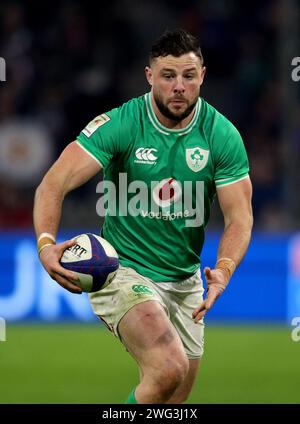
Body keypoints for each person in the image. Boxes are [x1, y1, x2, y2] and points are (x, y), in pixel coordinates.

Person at [33, 29, 253, 404]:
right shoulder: (121, 124)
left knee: (170, 402)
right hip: (122, 271)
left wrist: (225, 269)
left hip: (186, 283)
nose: (179, 86)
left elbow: (240, 218)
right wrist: (46, 245)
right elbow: (53, 184)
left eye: (188, 75)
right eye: (168, 76)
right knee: (169, 367)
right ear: (150, 76)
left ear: (202, 75)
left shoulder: (222, 135)